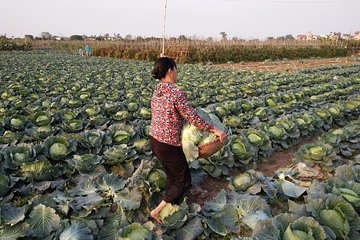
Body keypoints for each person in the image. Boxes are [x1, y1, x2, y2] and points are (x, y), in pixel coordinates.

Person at [149, 57, 226, 224]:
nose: (177, 72)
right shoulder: (176, 92)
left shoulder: (158, 89)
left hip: (155, 140)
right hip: (168, 144)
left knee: (172, 175)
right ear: (170, 70)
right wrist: (214, 129)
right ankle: (156, 211)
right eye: (176, 69)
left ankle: (172, 204)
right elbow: (193, 117)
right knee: (184, 181)